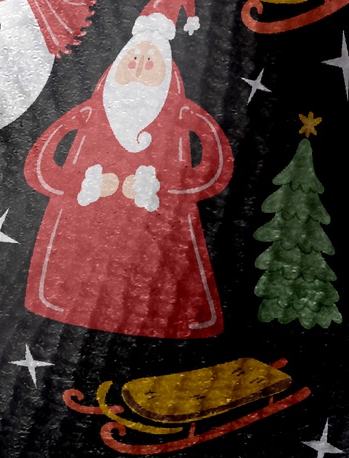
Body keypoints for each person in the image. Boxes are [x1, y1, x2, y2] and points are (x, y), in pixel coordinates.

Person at [23, 0, 233, 338]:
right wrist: (79, 184)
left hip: (157, 242)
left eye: (149, 63)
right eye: (133, 60)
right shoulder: (91, 113)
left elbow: (214, 168)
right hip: (81, 244)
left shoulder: (181, 116)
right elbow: (40, 165)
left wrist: (166, 187)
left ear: (166, 72)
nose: (137, 70)